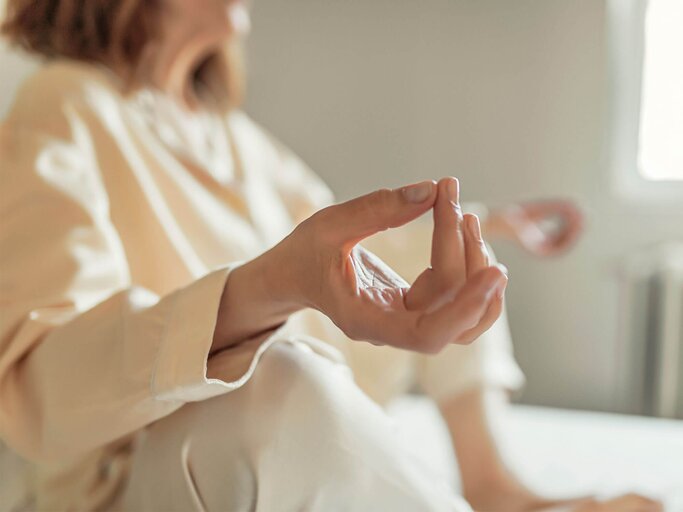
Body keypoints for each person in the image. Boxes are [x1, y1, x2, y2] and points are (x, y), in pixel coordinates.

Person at [0, 1, 662, 511]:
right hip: (123, 474)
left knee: (456, 269)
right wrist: (263, 292)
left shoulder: (229, 133)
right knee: (280, 383)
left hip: (257, 411)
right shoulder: (62, 104)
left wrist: (479, 222)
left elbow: (344, 250)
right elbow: (40, 371)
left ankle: (494, 487)